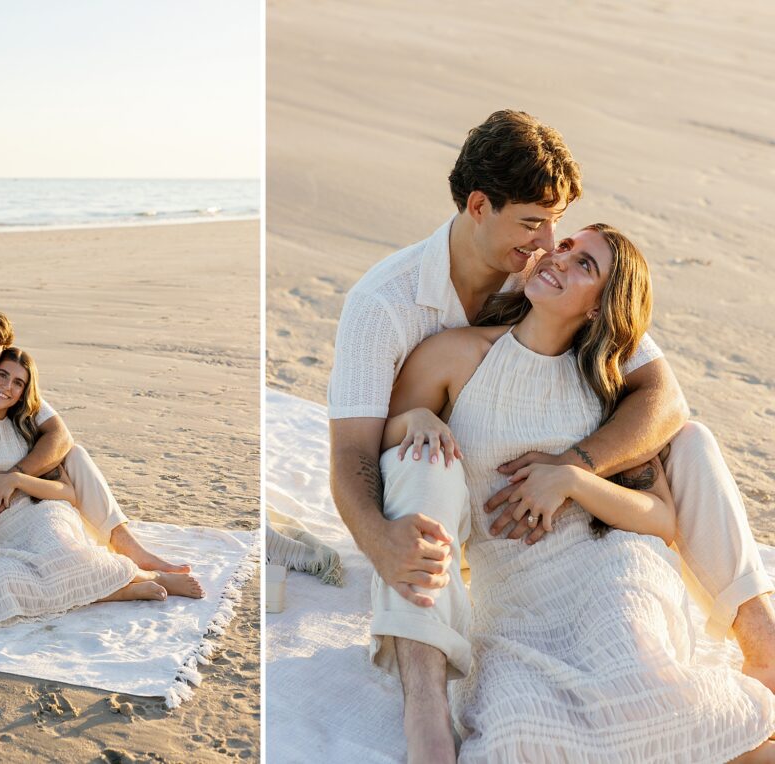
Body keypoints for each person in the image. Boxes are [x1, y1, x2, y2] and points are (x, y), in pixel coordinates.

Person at [327, 110, 775, 760]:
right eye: (536, 223)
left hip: (594, 551)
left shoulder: (562, 303)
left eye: (562, 229)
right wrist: (383, 524)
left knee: (691, 439)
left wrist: (572, 470)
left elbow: (666, 400)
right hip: (469, 524)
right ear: (479, 206)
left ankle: (759, 637)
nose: (551, 243)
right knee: (419, 456)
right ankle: (423, 696)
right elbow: (352, 454)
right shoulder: (389, 306)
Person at [0, 307, 187, 630]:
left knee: (74, 455)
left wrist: (15, 477)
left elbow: (61, 436)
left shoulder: (10, 389)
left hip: (18, 512)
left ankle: (126, 546)